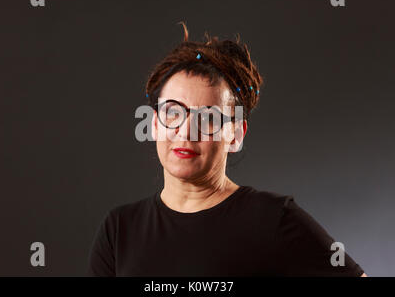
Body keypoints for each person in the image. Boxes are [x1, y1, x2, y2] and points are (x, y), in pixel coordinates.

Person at [87, 22, 367, 277]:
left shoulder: (272, 219)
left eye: (207, 118)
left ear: (235, 134)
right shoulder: (120, 230)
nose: (186, 131)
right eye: (173, 113)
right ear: (154, 124)